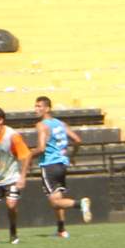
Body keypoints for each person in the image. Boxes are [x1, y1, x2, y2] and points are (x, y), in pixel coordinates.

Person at [30, 95, 90, 238]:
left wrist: (29, 155)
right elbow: (77, 140)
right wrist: (73, 156)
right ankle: (61, 230)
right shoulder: (60, 124)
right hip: (62, 165)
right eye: (35, 106)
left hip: (49, 165)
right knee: (58, 198)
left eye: (39, 106)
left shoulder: (41, 125)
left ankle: (80, 204)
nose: (36, 109)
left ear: (47, 108)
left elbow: (41, 148)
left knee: (55, 202)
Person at [0, 107, 32, 244]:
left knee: (11, 205)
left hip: (12, 177)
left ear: (0, 121)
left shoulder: (12, 136)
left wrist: (22, 177)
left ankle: (13, 233)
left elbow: (27, 156)